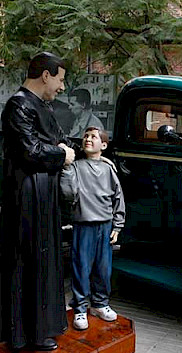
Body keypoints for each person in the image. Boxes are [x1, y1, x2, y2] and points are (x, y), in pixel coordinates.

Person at [0, 52, 76, 351]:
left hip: (42, 192)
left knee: (44, 259)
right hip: (27, 195)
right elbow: (31, 151)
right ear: (46, 75)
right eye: (61, 79)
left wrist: (62, 150)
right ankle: (22, 335)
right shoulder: (18, 104)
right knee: (27, 259)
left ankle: (39, 329)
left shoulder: (40, 106)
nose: (62, 87)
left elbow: (54, 140)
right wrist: (61, 154)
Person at [60, 126, 125, 330]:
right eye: (86, 136)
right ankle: (79, 308)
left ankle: (100, 304)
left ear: (103, 145)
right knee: (81, 267)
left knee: (103, 269)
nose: (88, 139)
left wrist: (118, 224)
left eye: (94, 137)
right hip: (84, 224)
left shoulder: (109, 169)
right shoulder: (76, 167)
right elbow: (68, 194)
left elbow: (118, 197)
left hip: (105, 225)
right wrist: (66, 169)